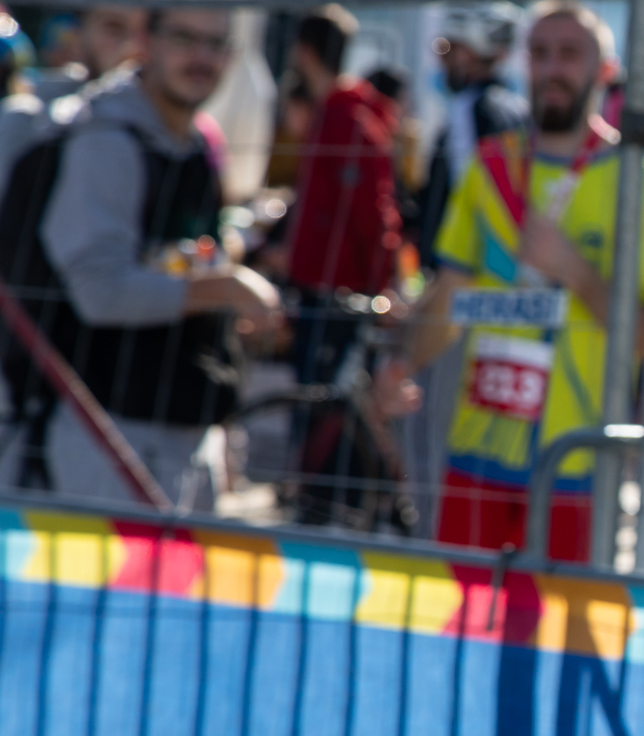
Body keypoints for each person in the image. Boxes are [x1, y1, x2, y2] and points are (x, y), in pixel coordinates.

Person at [405, 0, 644, 561]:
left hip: (577, 461)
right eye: (540, 53)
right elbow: (449, 294)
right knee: (463, 624)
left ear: (606, 71)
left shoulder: (638, 181)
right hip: (475, 450)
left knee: (560, 632)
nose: (552, 68)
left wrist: (573, 268)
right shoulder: (490, 164)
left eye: (570, 54)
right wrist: (401, 366)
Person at [0, 7, 280, 506]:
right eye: (185, 38)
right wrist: (229, 288)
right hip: (102, 440)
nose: (201, 58)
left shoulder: (191, 144)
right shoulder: (104, 140)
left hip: (177, 436)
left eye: (216, 45)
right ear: (146, 41)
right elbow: (101, 293)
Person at [285, 6, 402, 420]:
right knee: (312, 413)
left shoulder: (348, 122)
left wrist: (380, 287)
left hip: (339, 303)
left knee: (328, 420)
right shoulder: (331, 114)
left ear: (305, 53)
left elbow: (374, 215)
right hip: (321, 294)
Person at [415, 2, 527, 269]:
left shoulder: (471, 109)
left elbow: (463, 193)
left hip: (464, 267)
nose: (440, 59)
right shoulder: (514, 107)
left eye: (447, 47)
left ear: (471, 53)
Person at [0, 6, 143, 195]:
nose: (132, 47)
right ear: (80, 35)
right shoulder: (28, 123)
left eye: (147, 30)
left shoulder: (187, 139)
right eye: (114, 28)